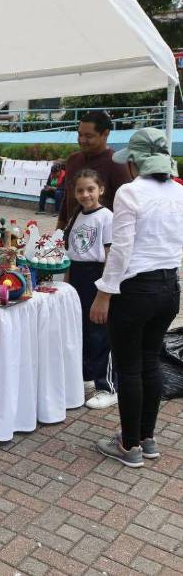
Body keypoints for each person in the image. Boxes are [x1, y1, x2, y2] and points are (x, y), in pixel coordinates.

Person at [90, 128, 182, 467]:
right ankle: (147, 438)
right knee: (149, 362)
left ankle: (129, 447)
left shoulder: (130, 193)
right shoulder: (179, 190)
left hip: (135, 290)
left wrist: (104, 293)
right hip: (169, 288)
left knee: (129, 367)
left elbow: (122, 249)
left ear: (136, 161)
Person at [64, 169, 114, 409]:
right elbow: (72, 253)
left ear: (101, 190)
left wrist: (105, 290)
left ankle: (107, 386)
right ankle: (87, 377)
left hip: (97, 276)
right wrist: (66, 281)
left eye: (90, 189)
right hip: (77, 276)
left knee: (99, 330)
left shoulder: (106, 217)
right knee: (81, 328)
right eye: (80, 190)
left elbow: (111, 255)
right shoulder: (77, 216)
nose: (85, 194)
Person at [56, 111, 132, 230]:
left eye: (88, 136)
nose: (82, 140)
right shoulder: (72, 160)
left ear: (105, 134)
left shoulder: (116, 163)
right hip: (72, 235)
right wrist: (58, 233)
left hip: (102, 238)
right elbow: (67, 199)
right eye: (80, 134)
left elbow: (126, 207)